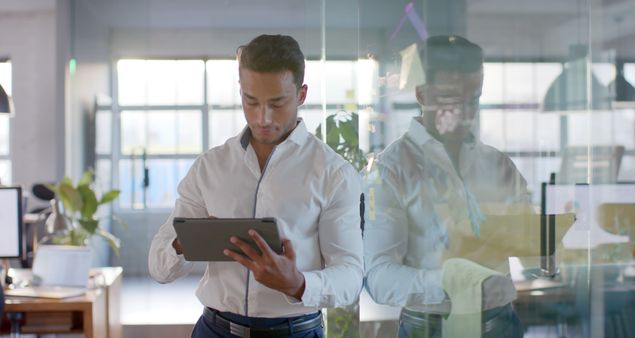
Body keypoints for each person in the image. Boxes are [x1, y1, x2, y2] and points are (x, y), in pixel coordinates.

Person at [149, 34, 364, 338]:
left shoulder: (334, 174)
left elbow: (351, 276)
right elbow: (159, 269)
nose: (262, 118)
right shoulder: (210, 167)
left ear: (301, 95)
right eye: (251, 102)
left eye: (277, 103)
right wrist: (186, 241)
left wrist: (298, 283)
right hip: (214, 330)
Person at [363, 35, 528, 337]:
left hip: (502, 324)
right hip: (429, 328)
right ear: (422, 94)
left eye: (473, 100)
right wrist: (455, 282)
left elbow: (530, 252)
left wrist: (544, 246)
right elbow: (378, 278)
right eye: (452, 100)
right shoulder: (390, 170)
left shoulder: (500, 166)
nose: (465, 114)